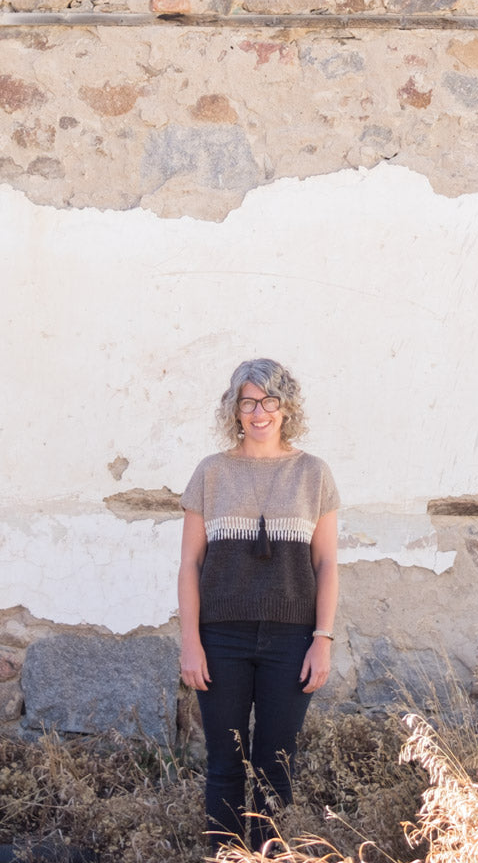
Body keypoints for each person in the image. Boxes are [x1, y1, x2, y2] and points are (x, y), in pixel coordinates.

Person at [179, 358, 339, 855]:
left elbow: (328, 563)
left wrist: (322, 639)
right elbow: (189, 564)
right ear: (235, 409)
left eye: (269, 400)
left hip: (291, 640)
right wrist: (190, 643)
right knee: (226, 761)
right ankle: (225, 853)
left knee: (276, 762)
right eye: (248, 402)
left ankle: (268, 855)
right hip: (221, 637)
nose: (259, 412)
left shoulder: (314, 474)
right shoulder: (211, 472)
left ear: (286, 407)